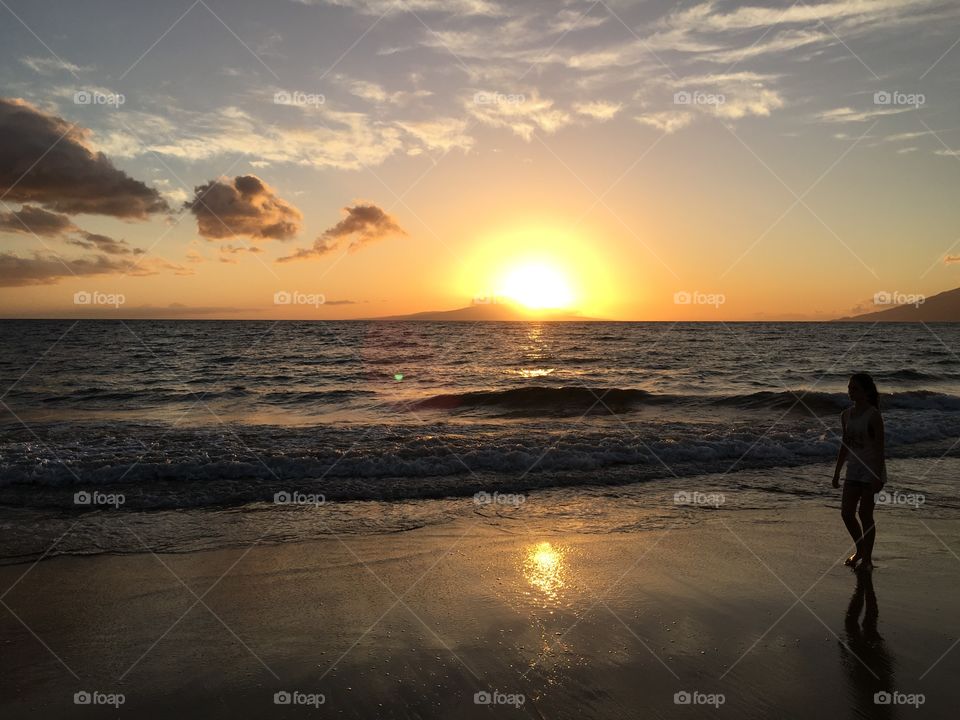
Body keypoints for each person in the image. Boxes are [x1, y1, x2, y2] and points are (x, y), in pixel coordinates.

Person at [832, 372, 886, 571]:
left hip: (871, 470)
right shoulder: (845, 415)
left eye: (855, 389)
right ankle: (860, 548)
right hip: (853, 470)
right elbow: (844, 446)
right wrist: (837, 472)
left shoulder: (873, 415)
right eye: (849, 388)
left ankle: (868, 559)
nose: (850, 392)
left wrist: (877, 475)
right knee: (846, 513)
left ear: (866, 391)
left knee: (865, 514)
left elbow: (880, 448)